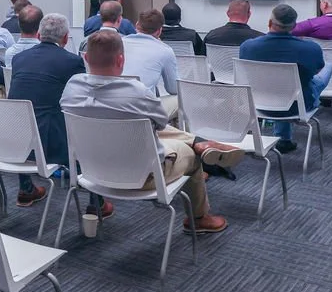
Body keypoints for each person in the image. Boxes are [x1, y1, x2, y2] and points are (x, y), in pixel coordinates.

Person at [63, 31, 241, 233]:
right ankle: (200, 217)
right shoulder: (136, 93)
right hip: (143, 175)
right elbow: (161, 122)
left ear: (85, 58)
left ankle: (198, 141)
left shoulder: (72, 88)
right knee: (190, 156)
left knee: (141, 127)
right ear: (121, 59)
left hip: (91, 172)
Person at [7, 14, 93, 210]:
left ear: (38, 35)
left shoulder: (19, 58)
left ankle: (26, 188)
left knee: (29, 114)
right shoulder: (71, 62)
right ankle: (97, 205)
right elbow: (81, 99)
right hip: (51, 142)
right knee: (89, 129)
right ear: (65, 39)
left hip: (15, 139)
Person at [239, 4, 332, 154]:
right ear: (294, 26)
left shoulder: (247, 47)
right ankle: (284, 139)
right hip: (299, 106)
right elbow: (317, 69)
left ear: (270, 23)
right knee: (327, 67)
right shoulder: (310, 48)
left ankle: (284, 139)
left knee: (277, 87)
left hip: (259, 104)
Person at [123, 9, 179, 115]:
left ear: (137, 25)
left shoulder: (118, 43)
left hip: (116, 105)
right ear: (159, 31)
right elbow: (173, 89)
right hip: (144, 110)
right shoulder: (165, 50)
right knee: (180, 100)